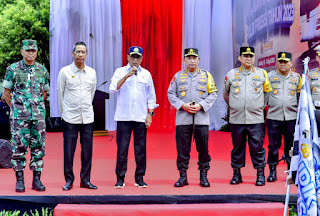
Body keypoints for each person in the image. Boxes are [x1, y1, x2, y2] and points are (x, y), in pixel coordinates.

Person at [2, 39, 49, 192]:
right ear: (22, 51)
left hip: (38, 118)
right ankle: (20, 180)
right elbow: (6, 94)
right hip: (19, 119)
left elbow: (45, 92)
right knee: (18, 149)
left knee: (38, 148)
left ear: (36, 52)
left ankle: (37, 180)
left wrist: (36, 108)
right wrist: (16, 109)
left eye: (33, 50)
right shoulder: (13, 69)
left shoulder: (42, 70)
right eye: (27, 50)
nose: (30, 53)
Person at [167, 48, 218, 187]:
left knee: (203, 149)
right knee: (182, 149)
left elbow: (213, 94)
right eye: (188, 58)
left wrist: (201, 105)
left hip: (201, 119)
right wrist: (183, 105)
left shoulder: (206, 76)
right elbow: (170, 94)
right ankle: (183, 176)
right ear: (184, 60)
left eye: (194, 58)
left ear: (198, 60)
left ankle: (204, 177)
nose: (191, 60)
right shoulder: (177, 77)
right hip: (183, 119)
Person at [109, 46, 158, 189]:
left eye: (138, 57)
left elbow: (151, 96)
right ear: (127, 57)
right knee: (122, 149)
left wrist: (150, 114)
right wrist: (127, 75)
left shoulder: (146, 74)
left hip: (140, 117)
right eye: (133, 57)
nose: (135, 60)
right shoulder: (120, 72)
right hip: (123, 117)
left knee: (140, 149)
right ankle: (120, 178)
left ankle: (140, 178)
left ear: (142, 58)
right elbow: (113, 88)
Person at [223, 47, 272, 186]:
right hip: (237, 118)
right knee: (237, 147)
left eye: (251, 56)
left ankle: (260, 174)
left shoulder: (262, 74)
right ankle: (237, 174)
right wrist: (235, 105)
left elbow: (267, 93)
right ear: (240, 58)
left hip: (255, 118)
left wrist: (257, 106)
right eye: (245, 56)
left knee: (257, 147)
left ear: (254, 58)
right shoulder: (231, 74)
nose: (248, 58)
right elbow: (226, 94)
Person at [57, 41, 97, 191]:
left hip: (87, 117)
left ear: (87, 55)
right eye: (78, 52)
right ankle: (69, 180)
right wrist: (64, 113)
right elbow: (59, 93)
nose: (80, 55)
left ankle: (85, 180)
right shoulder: (65, 72)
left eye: (83, 52)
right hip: (70, 118)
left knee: (87, 152)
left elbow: (91, 93)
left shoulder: (92, 72)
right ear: (73, 53)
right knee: (69, 151)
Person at [266, 52, 301, 182]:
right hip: (274, 116)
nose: (283, 64)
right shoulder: (269, 76)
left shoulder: (297, 77)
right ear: (277, 63)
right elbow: (264, 95)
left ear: (291, 63)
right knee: (273, 145)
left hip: (291, 117)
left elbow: (299, 97)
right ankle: (272, 172)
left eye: (286, 62)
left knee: (290, 146)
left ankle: (290, 172)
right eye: (280, 61)